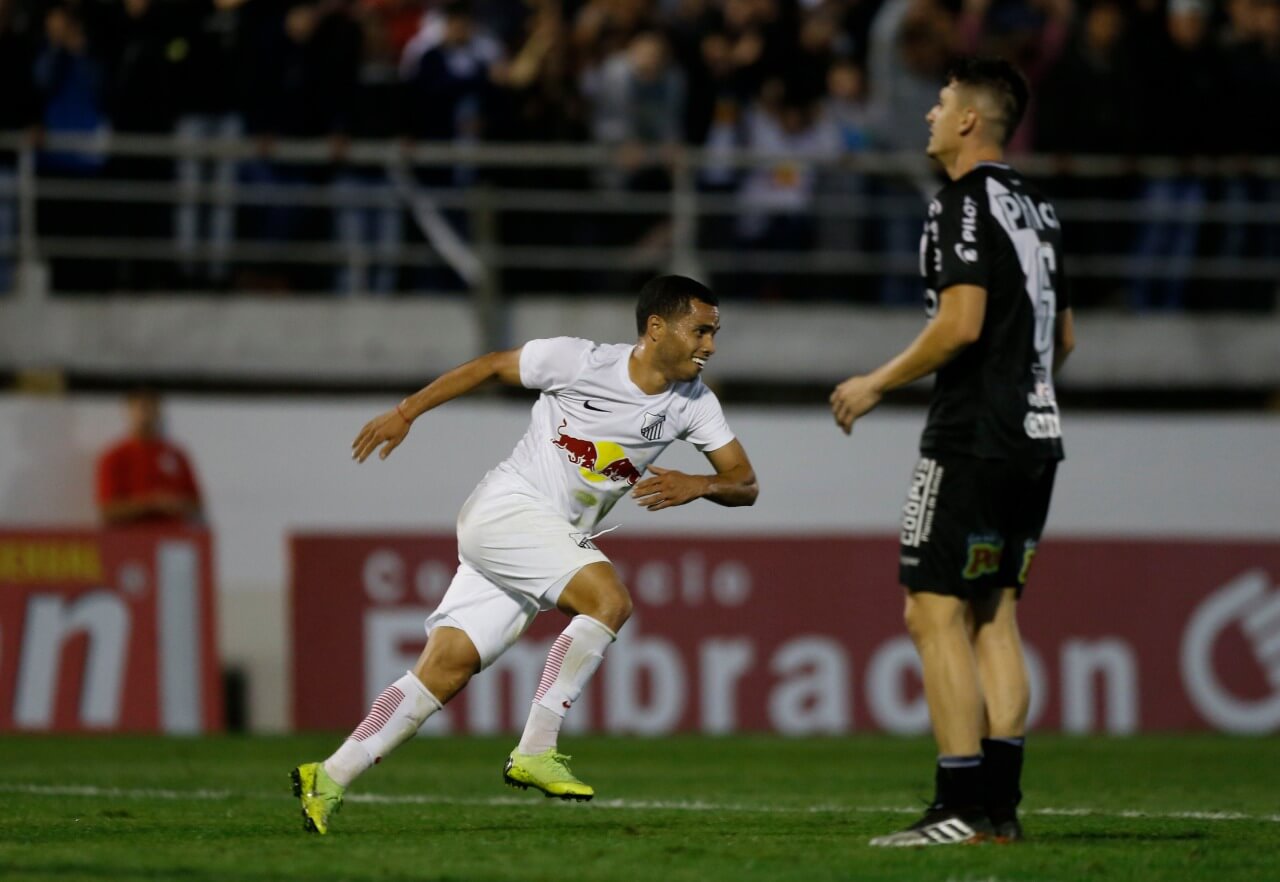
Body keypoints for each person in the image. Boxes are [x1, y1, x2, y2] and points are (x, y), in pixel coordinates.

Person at [292, 274, 758, 835]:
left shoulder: (694, 403)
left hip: (537, 539)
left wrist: (701, 484)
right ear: (656, 328)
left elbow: (744, 482)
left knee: (446, 668)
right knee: (608, 601)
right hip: (509, 510)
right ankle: (537, 748)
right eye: (700, 331)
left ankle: (329, 775)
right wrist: (407, 411)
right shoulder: (579, 361)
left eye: (714, 333)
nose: (710, 345)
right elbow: (492, 366)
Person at [830, 57, 1074, 847]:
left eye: (940, 104)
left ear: (969, 119)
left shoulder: (960, 204)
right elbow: (1062, 338)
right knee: (994, 615)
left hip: (972, 437)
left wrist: (875, 382)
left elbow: (961, 323)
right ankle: (999, 810)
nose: (930, 115)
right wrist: (1020, 390)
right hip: (1036, 436)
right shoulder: (1038, 208)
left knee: (931, 611)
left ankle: (957, 805)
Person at [95, 389, 204, 526]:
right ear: (129, 411)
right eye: (141, 408)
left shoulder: (177, 454)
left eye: (152, 407)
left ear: (159, 411)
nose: (146, 414)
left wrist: (176, 504)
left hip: (172, 534)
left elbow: (197, 504)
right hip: (131, 536)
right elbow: (107, 511)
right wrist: (151, 503)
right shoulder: (114, 456)